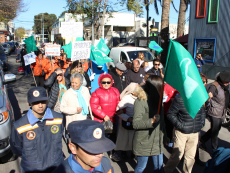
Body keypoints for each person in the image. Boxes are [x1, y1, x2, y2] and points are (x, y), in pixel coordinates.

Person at [10, 87, 64, 173]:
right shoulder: (19, 126)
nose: (40, 105)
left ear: (47, 101)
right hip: (32, 169)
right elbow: (17, 149)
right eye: (35, 102)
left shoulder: (58, 118)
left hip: (56, 167)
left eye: (43, 101)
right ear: (29, 103)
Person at [132, 75, 169, 173]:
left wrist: (165, 136)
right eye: (160, 88)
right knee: (141, 167)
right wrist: (151, 121)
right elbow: (135, 123)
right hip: (143, 141)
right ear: (155, 88)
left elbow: (162, 121)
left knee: (158, 168)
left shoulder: (159, 100)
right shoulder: (140, 101)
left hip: (157, 141)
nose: (162, 90)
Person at [163, 93, 206, 173]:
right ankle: (167, 170)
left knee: (190, 157)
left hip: (194, 133)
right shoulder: (179, 99)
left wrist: (201, 124)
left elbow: (203, 113)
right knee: (177, 156)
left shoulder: (199, 98)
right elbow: (170, 114)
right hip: (181, 133)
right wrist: (180, 125)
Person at [90, 73, 120, 160]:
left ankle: (113, 153)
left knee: (113, 137)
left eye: (108, 82)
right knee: (100, 138)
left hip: (113, 118)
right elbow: (94, 107)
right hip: (101, 120)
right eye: (104, 82)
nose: (106, 84)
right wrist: (103, 115)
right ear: (100, 82)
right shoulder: (96, 92)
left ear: (111, 82)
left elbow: (119, 103)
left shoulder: (115, 91)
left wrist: (121, 111)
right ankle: (99, 155)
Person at [200, 70, 230, 152]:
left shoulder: (224, 85)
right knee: (215, 133)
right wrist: (209, 96)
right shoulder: (214, 85)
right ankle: (215, 150)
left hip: (221, 112)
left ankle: (202, 140)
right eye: (227, 81)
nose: (229, 82)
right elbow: (209, 94)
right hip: (214, 112)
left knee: (215, 129)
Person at [114, 83, 139, 160]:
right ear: (133, 91)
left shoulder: (140, 97)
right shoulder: (127, 98)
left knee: (133, 140)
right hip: (127, 123)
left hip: (136, 123)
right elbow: (118, 110)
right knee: (123, 140)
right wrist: (127, 118)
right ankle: (117, 154)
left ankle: (132, 154)